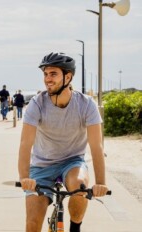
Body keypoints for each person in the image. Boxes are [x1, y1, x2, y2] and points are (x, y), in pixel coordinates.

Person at [18, 52, 109, 232]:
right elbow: (25, 144)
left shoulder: (86, 104)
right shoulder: (37, 104)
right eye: (45, 74)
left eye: (53, 74)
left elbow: (96, 146)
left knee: (80, 186)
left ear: (68, 77)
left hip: (72, 161)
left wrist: (101, 182)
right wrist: (24, 178)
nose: (47, 79)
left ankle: (75, 228)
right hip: (41, 165)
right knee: (32, 225)